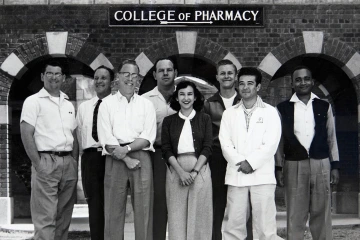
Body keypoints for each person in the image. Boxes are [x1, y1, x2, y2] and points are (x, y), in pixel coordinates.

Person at [275, 65, 340, 240]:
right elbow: (279, 141)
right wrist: (279, 167)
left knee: (322, 211)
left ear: (312, 81)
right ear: (292, 84)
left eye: (306, 79)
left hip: (321, 163)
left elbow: (331, 137)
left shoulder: (323, 105)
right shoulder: (282, 108)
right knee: (295, 213)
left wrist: (335, 166)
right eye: (298, 79)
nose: (302, 82)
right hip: (294, 164)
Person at [97, 59, 156, 240]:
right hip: (115, 157)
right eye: (126, 74)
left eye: (134, 75)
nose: (130, 78)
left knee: (144, 210)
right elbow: (106, 138)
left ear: (138, 79)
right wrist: (125, 157)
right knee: (113, 210)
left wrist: (128, 149)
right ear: (118, 77)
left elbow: (148, 136)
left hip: (141, 156)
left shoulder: (146, 104)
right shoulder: (106, 104)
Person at [219, 67, 281, 240]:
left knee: (265, 228)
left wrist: (251, 163)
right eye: (242, 84)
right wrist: (241, 163)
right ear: (237, 86)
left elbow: (271, 144)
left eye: (250, 84)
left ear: (258, 87)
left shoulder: (270, 112)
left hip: (262, 176)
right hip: (237, 175)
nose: (245, 87)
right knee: (233, 227)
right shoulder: (229, 114)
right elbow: (225, 144)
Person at [20, 60, 78, 240]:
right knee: (46, 217)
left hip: (68, 163)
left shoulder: (68, 104)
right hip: (46, 161)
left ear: (63, 78)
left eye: (58, 74)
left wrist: (74, 161)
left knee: (63, 217)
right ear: (42, 77)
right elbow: (26, 133)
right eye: (50, 73)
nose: (54, 77)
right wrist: (37, 163)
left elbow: (74, 135)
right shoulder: (33, 101)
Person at [204, 59, 253, 240]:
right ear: (217, 77)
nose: (226, 76)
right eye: (222, 73)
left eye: (230, 73)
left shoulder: (246, 100)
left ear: (235, 76)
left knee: (243, 205)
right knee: (216, 205)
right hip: (217, 159)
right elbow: (206, 137)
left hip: (242, 160)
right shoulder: (209, 104)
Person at [162, 80, 213, 240]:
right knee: (177, 216)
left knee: (200, 217)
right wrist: (181, 173)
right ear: (176, 98)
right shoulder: (168, 121)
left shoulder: (204, 119)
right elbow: (166, 148)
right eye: (182, 94)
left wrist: (195, 172)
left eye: (190, 94)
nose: (186, 98)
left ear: (195, 97)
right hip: (176, 172)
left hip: (200, 171)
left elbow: (207, 147)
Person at [76, 65, 114, 240]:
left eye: (103, 78)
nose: (99, 81)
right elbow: (78, 137)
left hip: (111, 157)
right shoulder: (84, 107)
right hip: (90, 158)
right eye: (96, 78)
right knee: (94, 204)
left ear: (111, 82)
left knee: (112, 203)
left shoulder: (116, 106)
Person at [142, 57, 177, 240]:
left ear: (175, 73)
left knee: (179, 201)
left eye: (169, 70)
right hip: (156, 154)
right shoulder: (145, 100)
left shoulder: (184, 96)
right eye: (161, 70)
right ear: (155, 74)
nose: (165, 73)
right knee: (159, 202)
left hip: (180, 156)